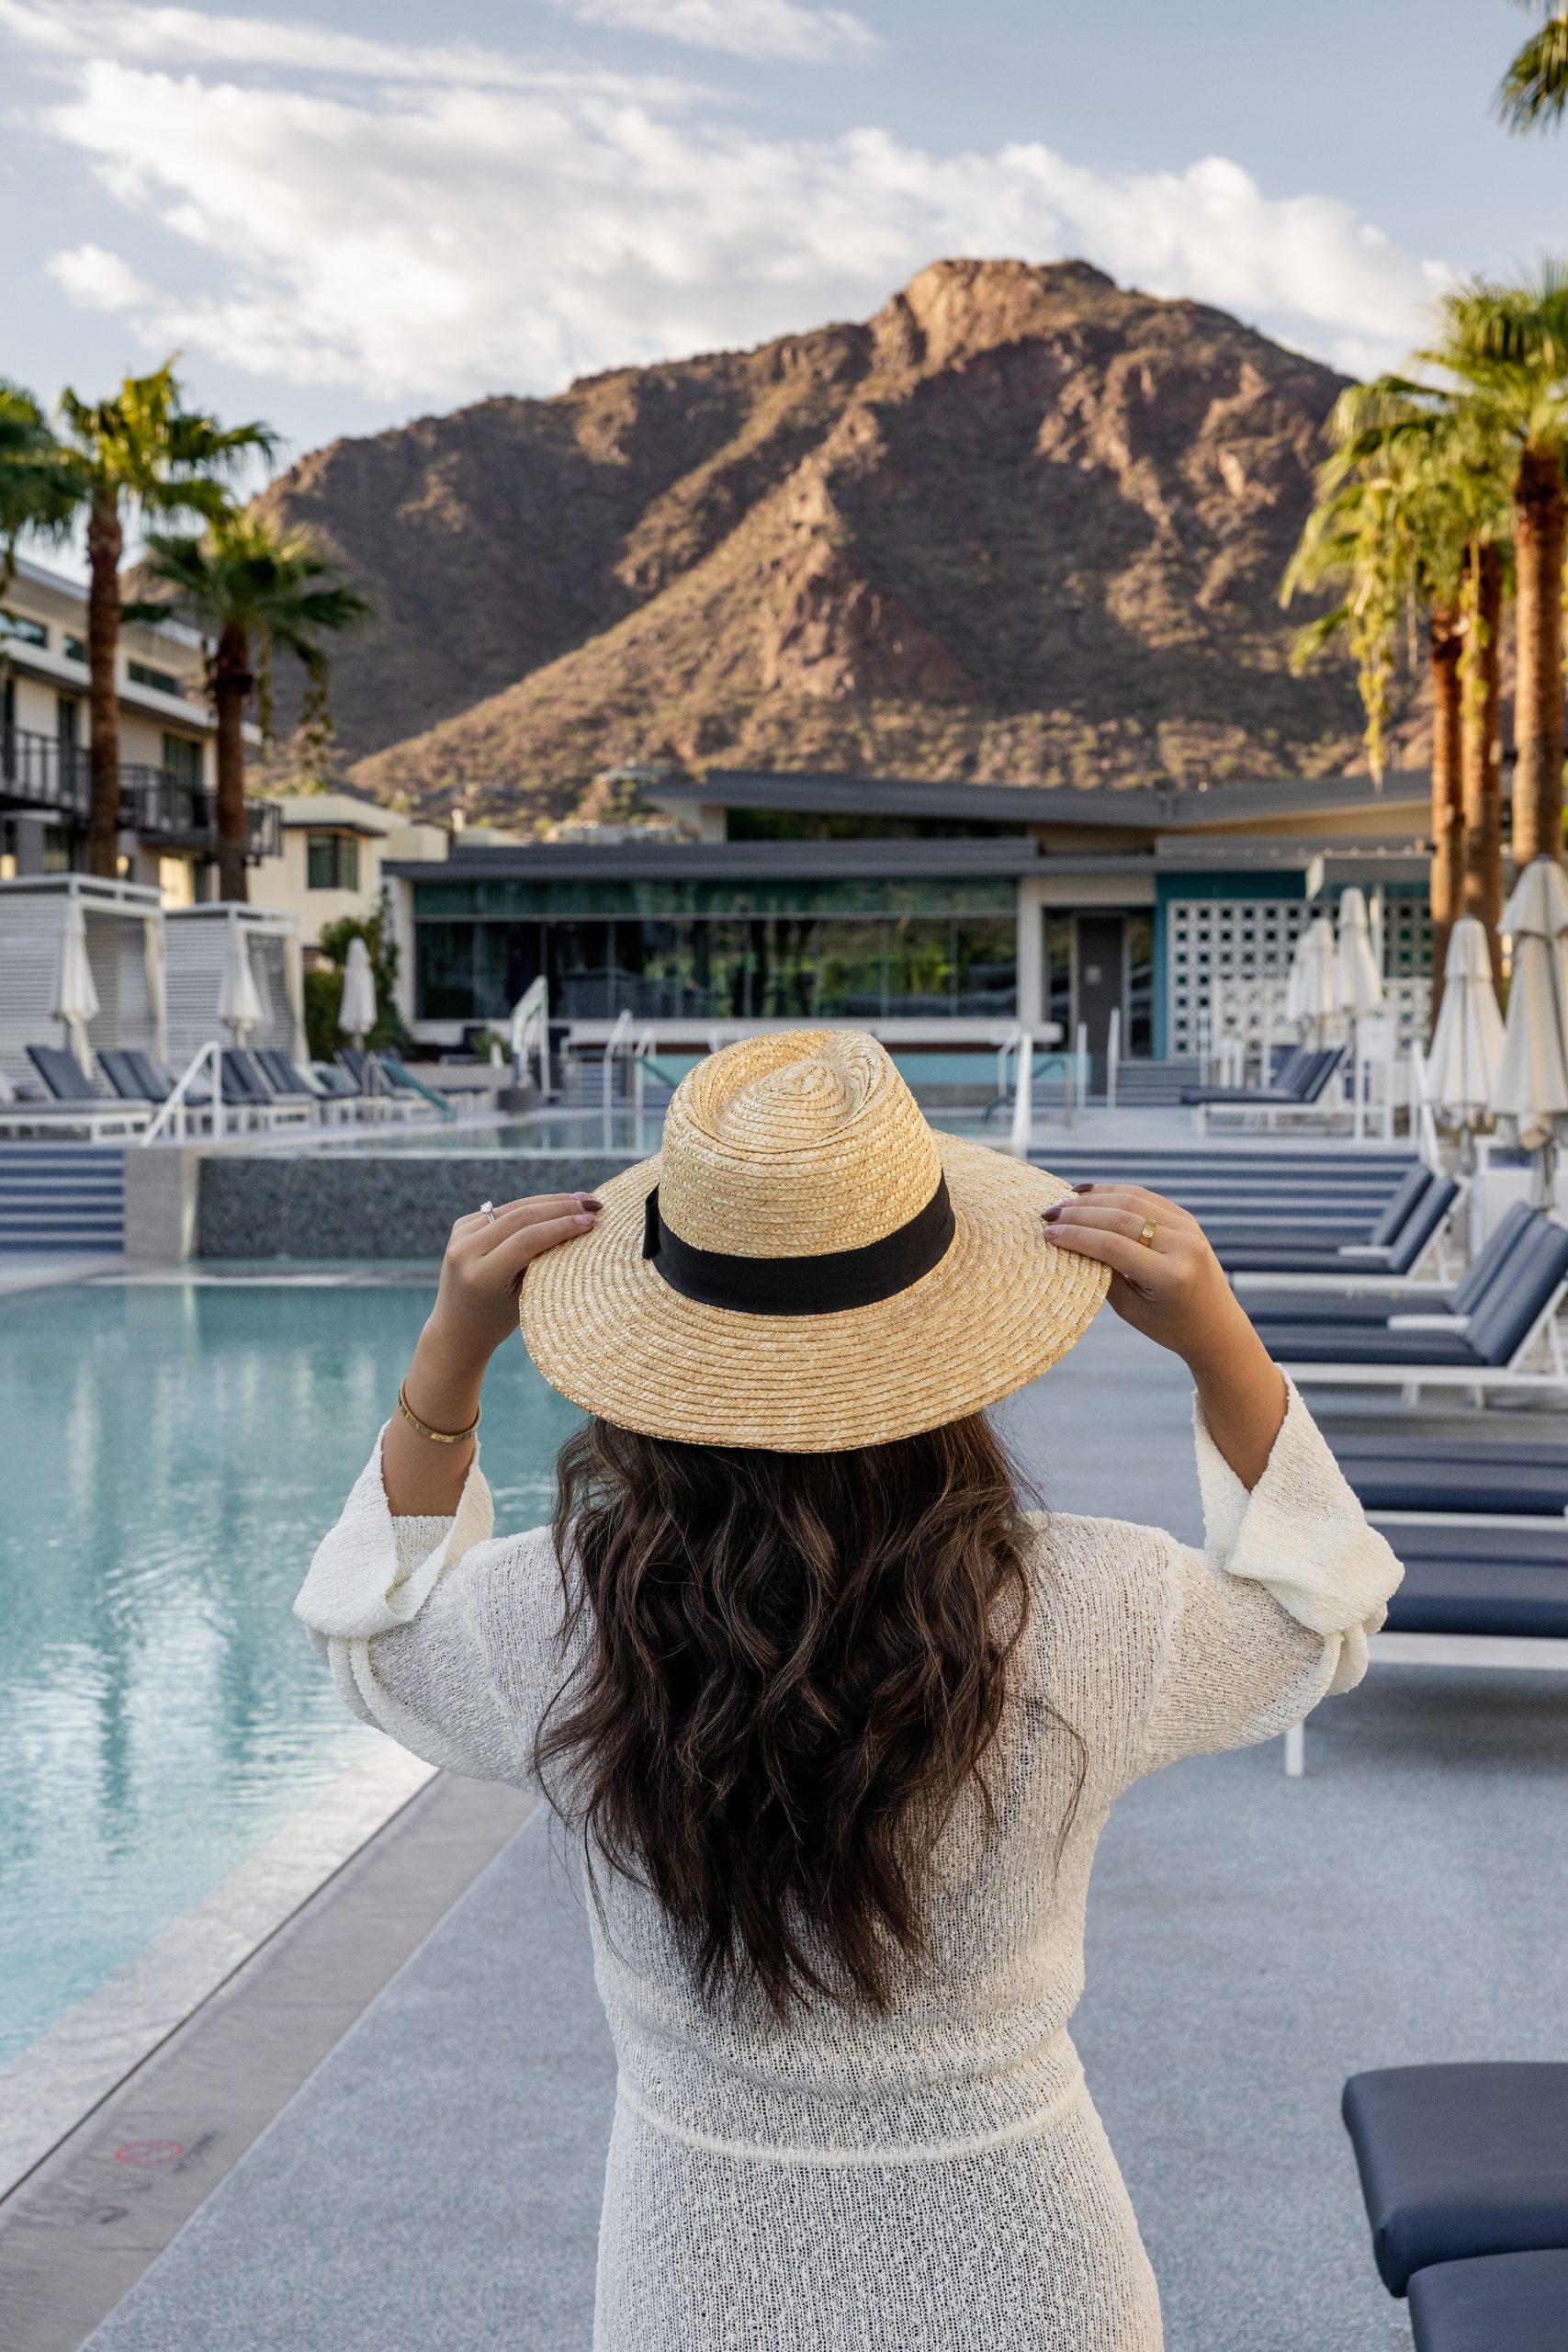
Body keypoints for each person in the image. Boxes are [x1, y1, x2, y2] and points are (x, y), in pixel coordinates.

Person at [296, 1029, 1401, 2352]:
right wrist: (1222, 1347)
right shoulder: (1102, 1605)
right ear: (953, 1342)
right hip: (1031, 2261)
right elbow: (1316, 1615)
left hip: (695, 2270)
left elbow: (372, 1635)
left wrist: (450, 1356)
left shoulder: (556, 1619)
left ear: (659, 1351)